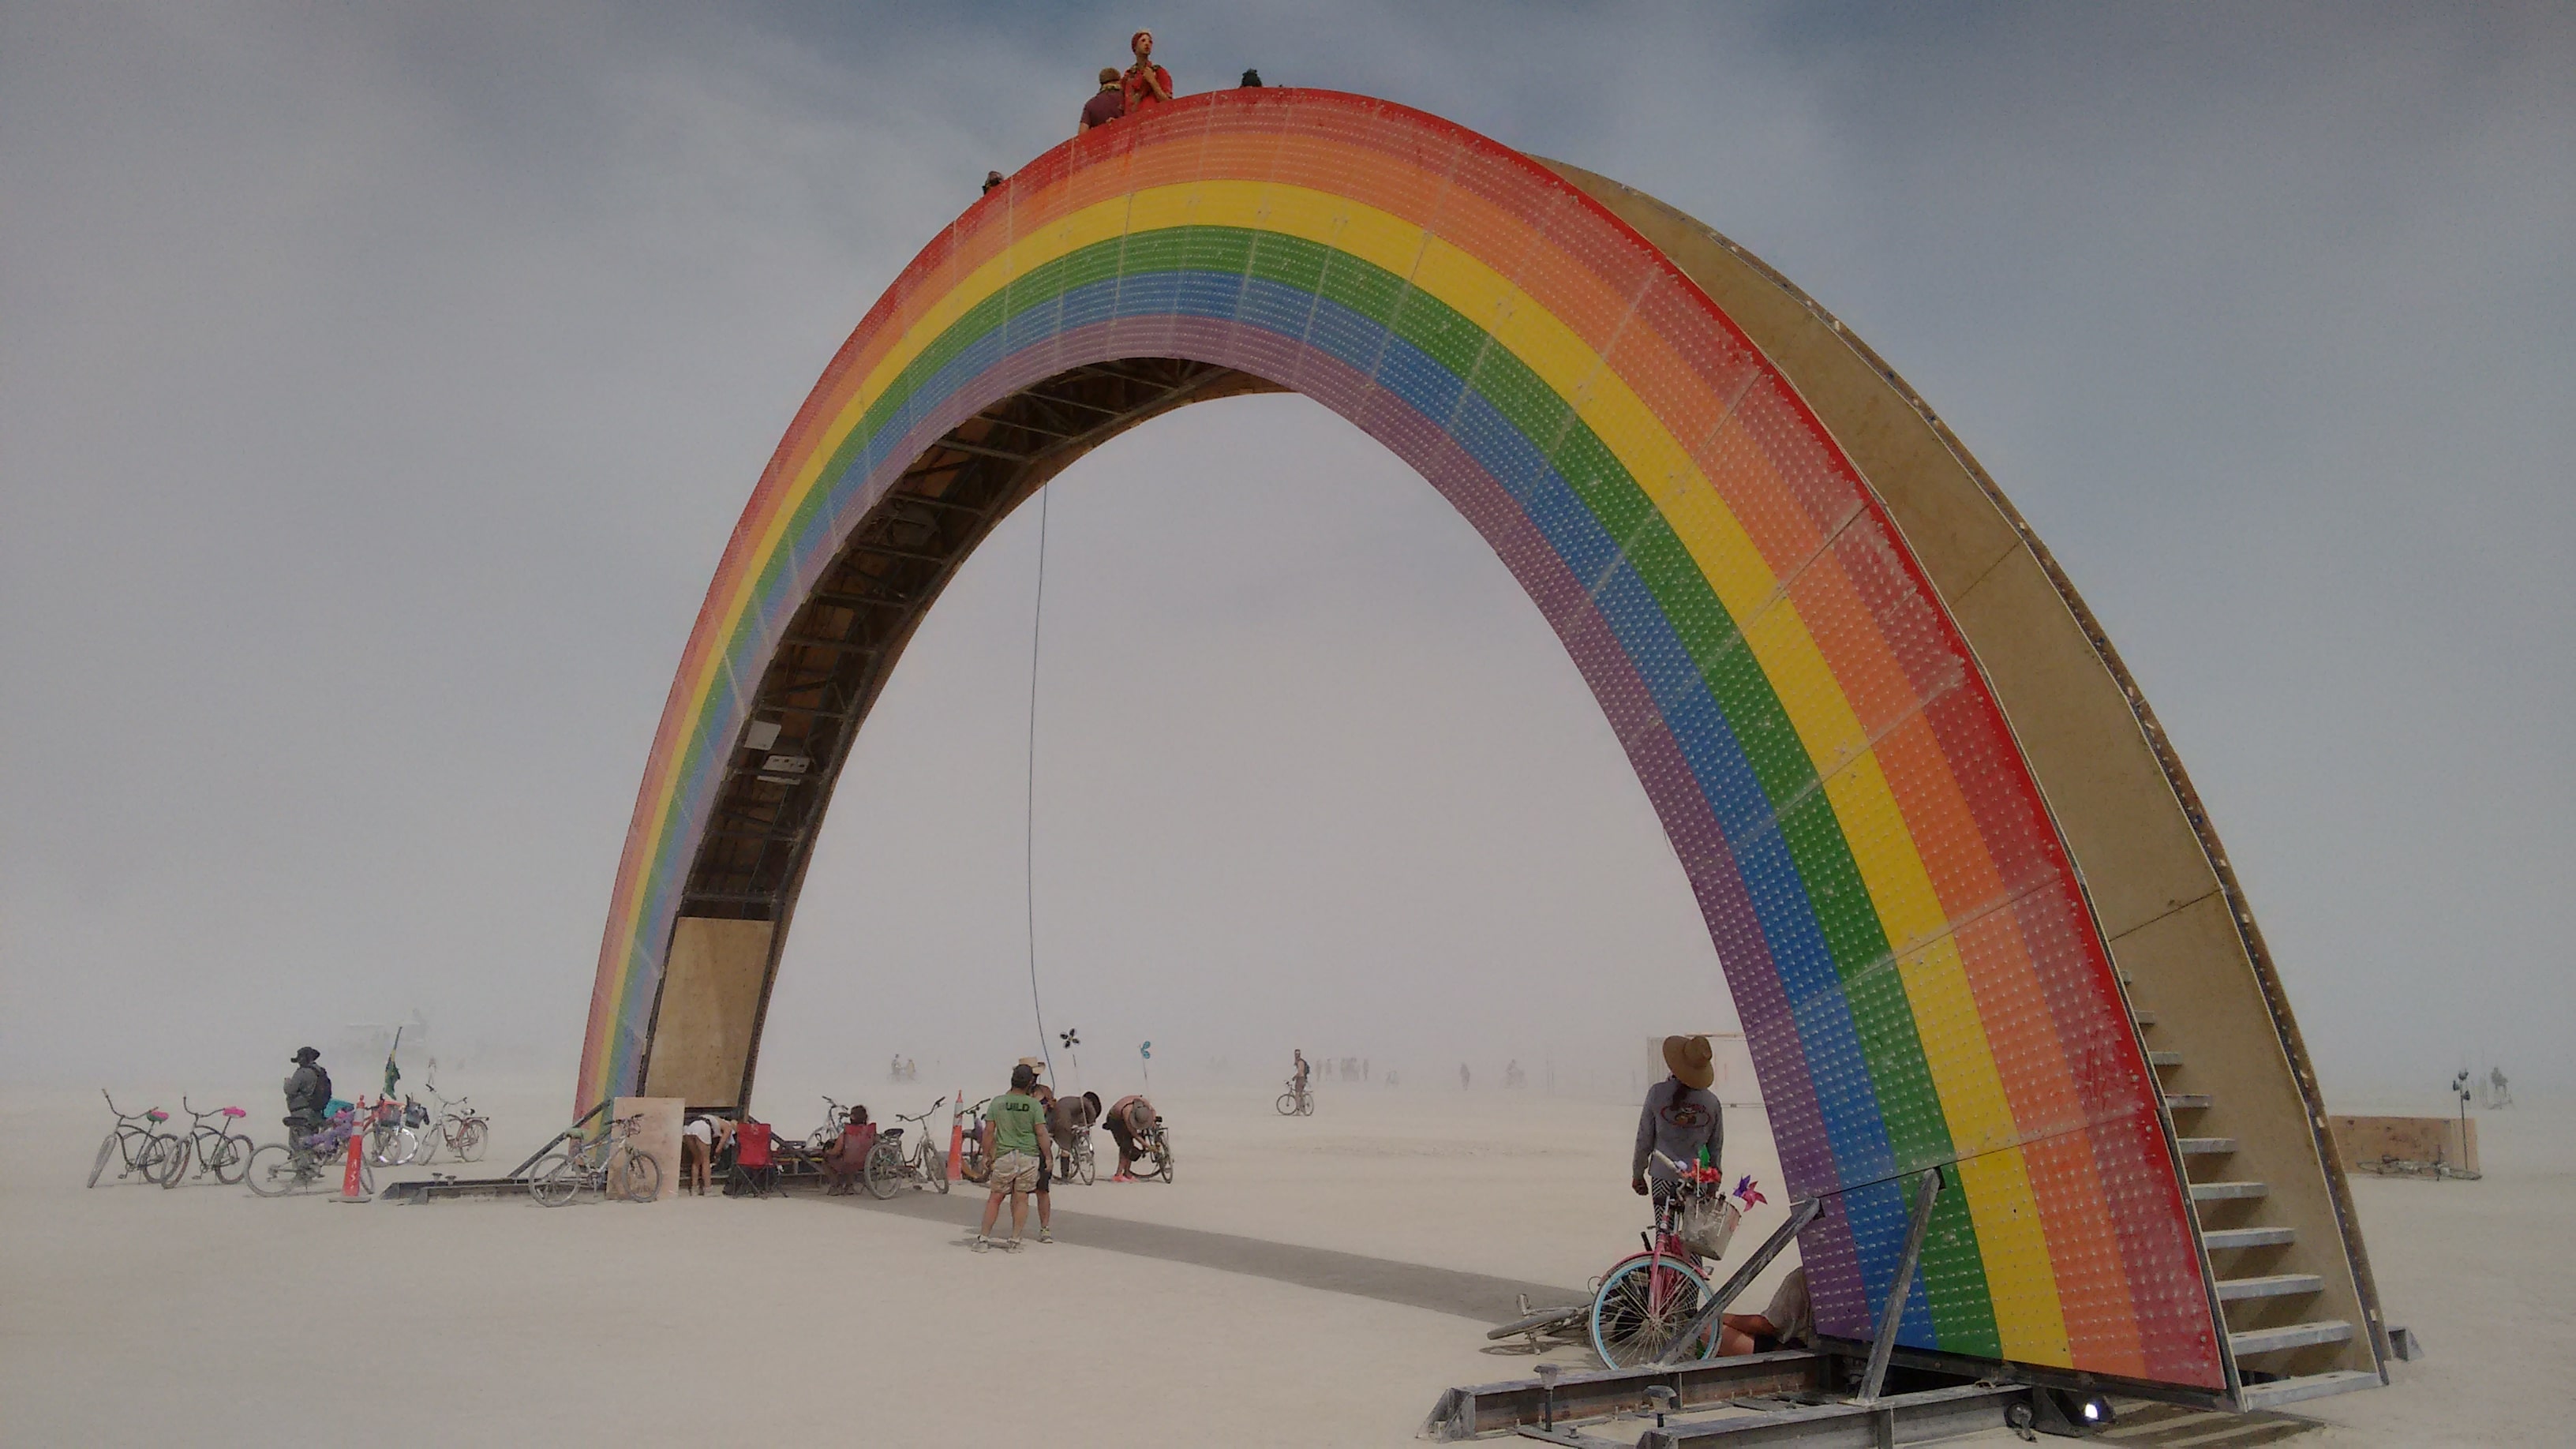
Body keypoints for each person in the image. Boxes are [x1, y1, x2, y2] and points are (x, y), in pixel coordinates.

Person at [975, 1064, 1054, 1252]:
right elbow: (1041, 1133)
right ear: (1029, 1083)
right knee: (1021, 1198)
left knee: (995, 1197)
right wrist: (1048, 1156)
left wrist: (985, 1155)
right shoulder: (1034, 1105)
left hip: (1004, 1155)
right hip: (1028, 1156)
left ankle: (983, 1239)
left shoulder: (998, 1102)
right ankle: (1015, 1240)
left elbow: (989, 1132)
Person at [1634, 1035, 1723, 1200]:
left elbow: (1644, 1139)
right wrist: (1713, 1185)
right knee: (1693, 1226)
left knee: (1664, 1224)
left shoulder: (1657, 1093)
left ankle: (1664, 1227)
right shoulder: (1712, 1103)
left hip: (1662, 1175)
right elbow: (1715, 1149)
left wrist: (1638, 1174)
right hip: (1697, 1179)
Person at [1719, 1267, 1812, 1355]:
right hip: (1817, 1349)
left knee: (1710, 1328)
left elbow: (1767, 1326)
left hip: (1794, 1352)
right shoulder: (1823, 1278)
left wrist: (1720, 1317)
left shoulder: (1802, 1276)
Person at [822, 1106, 879, 1195]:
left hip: (846, 1162)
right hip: (863, 1162)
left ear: (852, 1117)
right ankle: (849, 1187)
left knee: (827, 1161)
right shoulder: (869, 1132)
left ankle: (835, 1186)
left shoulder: (847, 1133)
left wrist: (827, 1152)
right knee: (853, 1159)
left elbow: (836, 1151)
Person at [1103, 1092, 1159, 1181]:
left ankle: (1127, 1173)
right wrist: (1148, 1146)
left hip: (1127, 1115)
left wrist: (1153, 1121)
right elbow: (1135, 1134)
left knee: (1129, 1144)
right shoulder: (1127, 1112)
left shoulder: (1145, 1103)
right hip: (1115, 1120)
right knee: (1127, 1144)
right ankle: (1118, 1175)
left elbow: (1153, 1111)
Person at [1049, 1088, 1102, 1178]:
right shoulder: (1085, 1101)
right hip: (1063, 1119)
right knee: (1066, 1147)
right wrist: (1091, 1122)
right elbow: (1092, 1112)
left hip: (1055, 1117)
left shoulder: (1074, 1101)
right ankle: (1064, 1176)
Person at [1121, 30, 1173, 116]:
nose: (1147, 44)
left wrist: (1153, 82)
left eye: (1150, 42)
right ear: (1135, 47)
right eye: (1143, 41)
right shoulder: (1128, 78)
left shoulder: (1159, 72)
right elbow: (1122, 106)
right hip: (1133, 123)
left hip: (1153, 120)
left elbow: (1169, 104)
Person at [283, 1046, 331, 1135]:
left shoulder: (303, 1072)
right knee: (312, 1141)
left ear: (304, 1058)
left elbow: (290, 1090)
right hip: (316, 1113)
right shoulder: (320, 1071)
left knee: (299, 1144)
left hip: (301, 1113)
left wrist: (287, 1082)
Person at [1079, 66, 1124, 134]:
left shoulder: (1090, 104)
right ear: (1119, 80)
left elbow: (1082, 134)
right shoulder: (1125, 97)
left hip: (1103, 142)